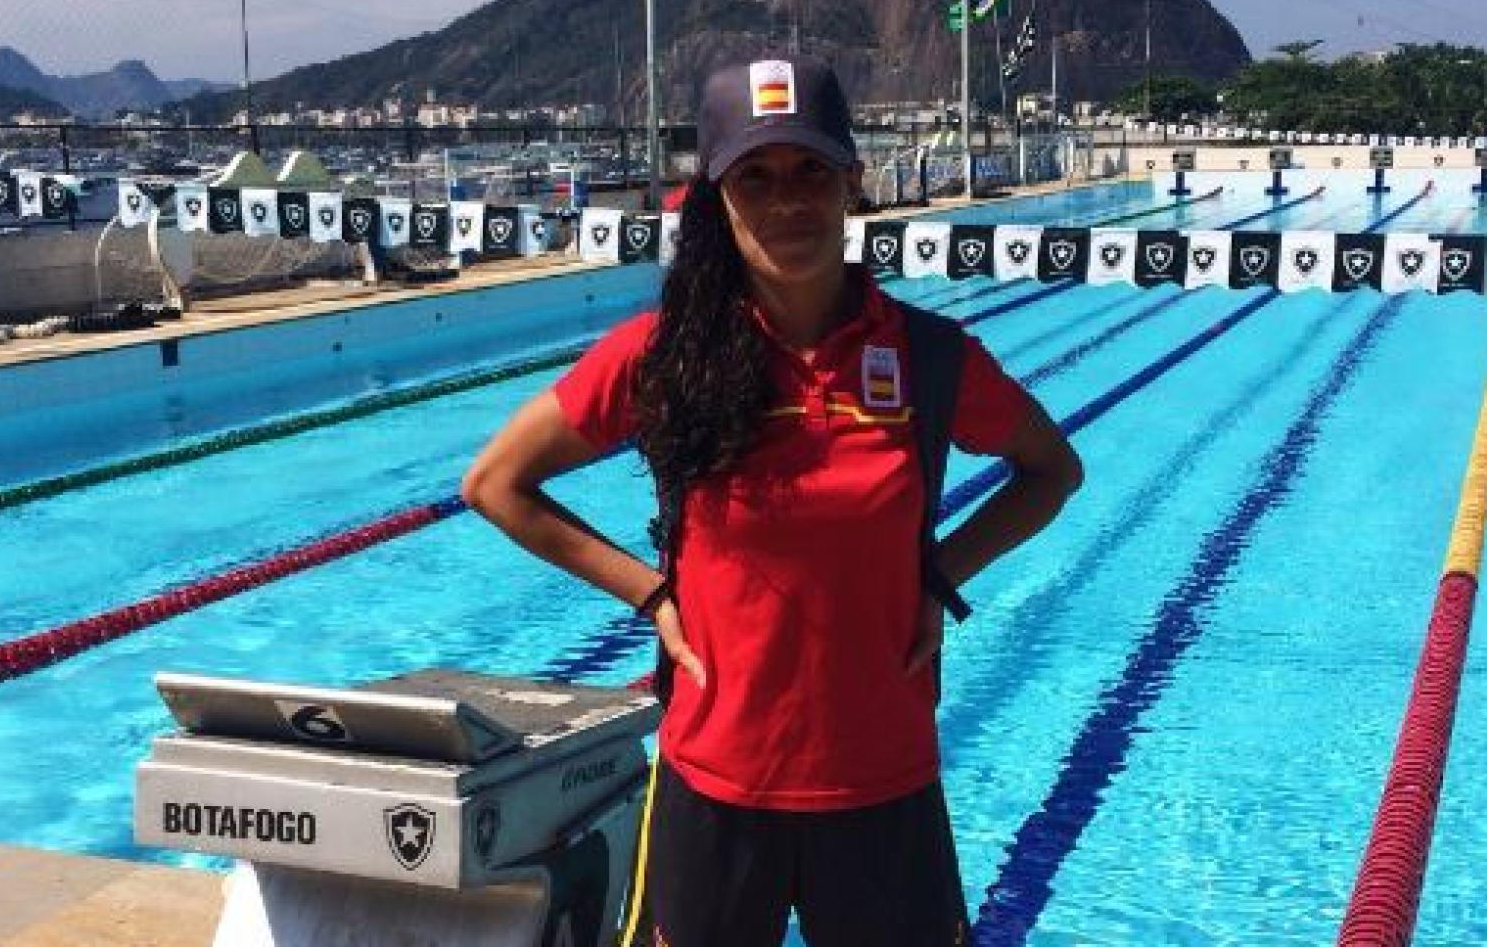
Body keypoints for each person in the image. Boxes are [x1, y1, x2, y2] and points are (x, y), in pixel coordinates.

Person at [462, 54, 1083, 947]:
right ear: (717, 199)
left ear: (850, 184)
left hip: (883, 781)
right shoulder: (663, 355)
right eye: (755, 176)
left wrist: (937, 577)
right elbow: (495, 483)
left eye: (809, 171)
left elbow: (1052, 471)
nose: (787, 199)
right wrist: (650, 593)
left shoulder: (929, 358)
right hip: (716, 782)